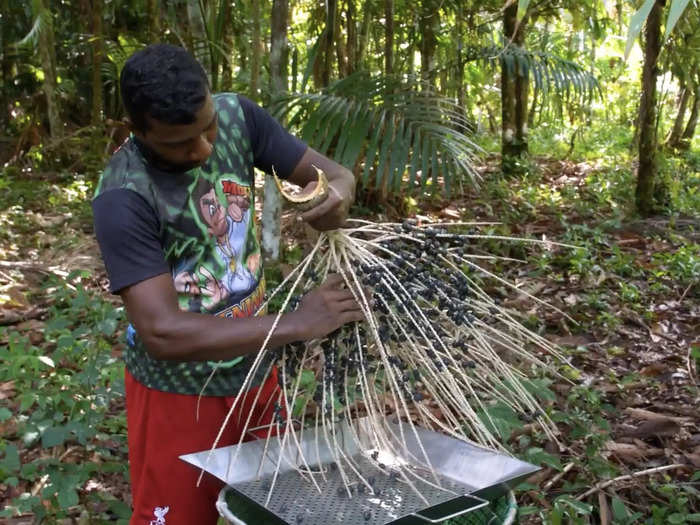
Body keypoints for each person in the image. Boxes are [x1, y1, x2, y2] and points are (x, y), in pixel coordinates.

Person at [92, 44, 363, 525]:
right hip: (179, 392)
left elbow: (335, 174)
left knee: (274, 510)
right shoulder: (123, 194)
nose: (204, 149)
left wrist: (335, 195)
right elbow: (163, 333)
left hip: (256, 372)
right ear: (138, 131)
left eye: (208, 127)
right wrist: (298, 324)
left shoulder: (240, 117)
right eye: (179, 144)